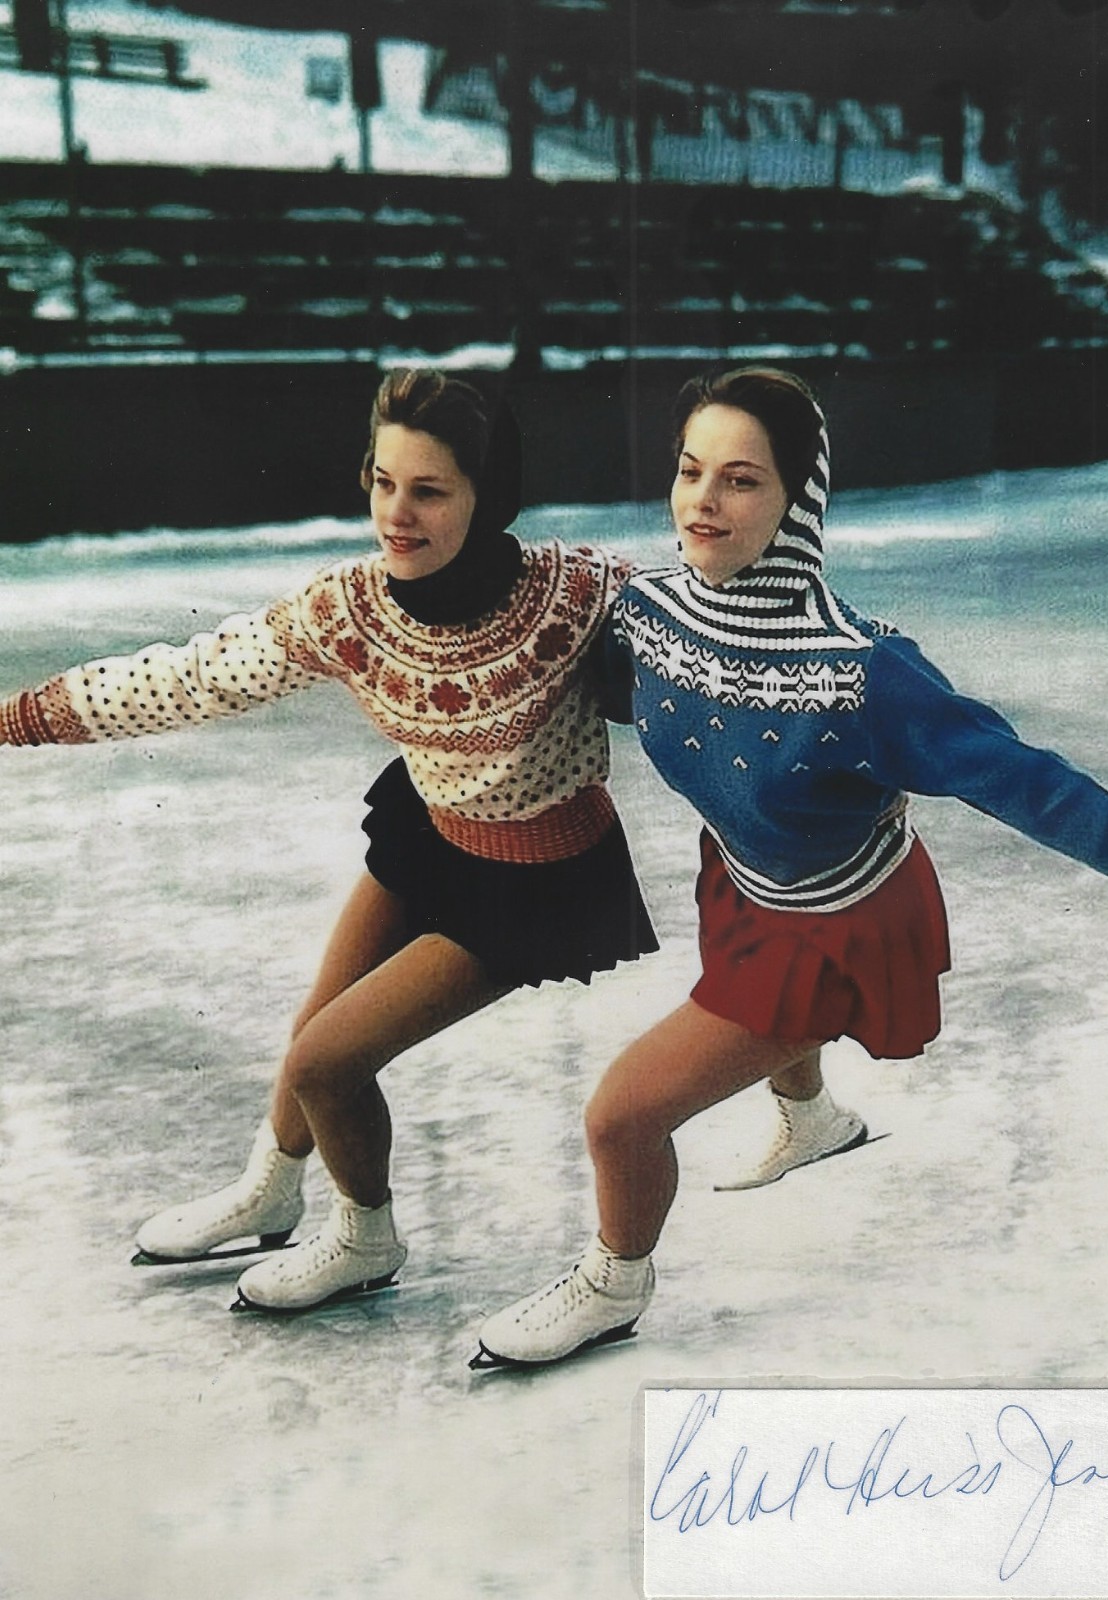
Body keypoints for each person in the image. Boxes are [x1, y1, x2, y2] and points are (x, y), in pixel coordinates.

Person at [471, 365, 1108, 1368]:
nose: (702, 503)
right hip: (742, 878)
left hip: (837, 932)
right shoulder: (649, 612)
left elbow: (1032, 786)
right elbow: (616, 691)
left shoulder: (864, 673)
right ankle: (810, 1118)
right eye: (689, 472)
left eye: (740, 480)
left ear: (797, 502)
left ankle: (611, 1283)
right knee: (730, 991)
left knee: (620, 1115)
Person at [0, 366, 657, 1314]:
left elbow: (713, 644)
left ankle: (364, 1236)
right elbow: (194, 677)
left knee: (325, 1063)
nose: (397, 514)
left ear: (487, 496)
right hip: (432, 835)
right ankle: (271, 1191)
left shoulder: (579, 595)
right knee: (317, 1018)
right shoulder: (351, 610)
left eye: (429, 491)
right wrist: (16, 717)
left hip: (537, 882)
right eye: (384, 483)